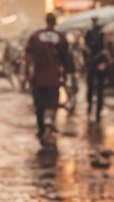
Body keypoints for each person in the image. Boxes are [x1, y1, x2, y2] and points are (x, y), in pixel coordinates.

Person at [26, 13, 70, 147]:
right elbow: (66, 59)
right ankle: (49, 126)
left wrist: (28, 73)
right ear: (55, 22)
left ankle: (41, 130)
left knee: (39, 106)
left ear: (46, 21)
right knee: (51, 105)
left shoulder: (36, 36)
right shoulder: (61, 38)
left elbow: (28, 55)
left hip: (38, 77)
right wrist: (66, 75)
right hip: (54, 78)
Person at [84, 17, 111, 122]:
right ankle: (95, 110)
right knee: (98, 88)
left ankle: (92, 108)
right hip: (98, 62)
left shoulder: (91, 34)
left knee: (93, 87)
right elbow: (106, 48)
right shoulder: (101, 34)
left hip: (94, 63)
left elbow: (86, 48)